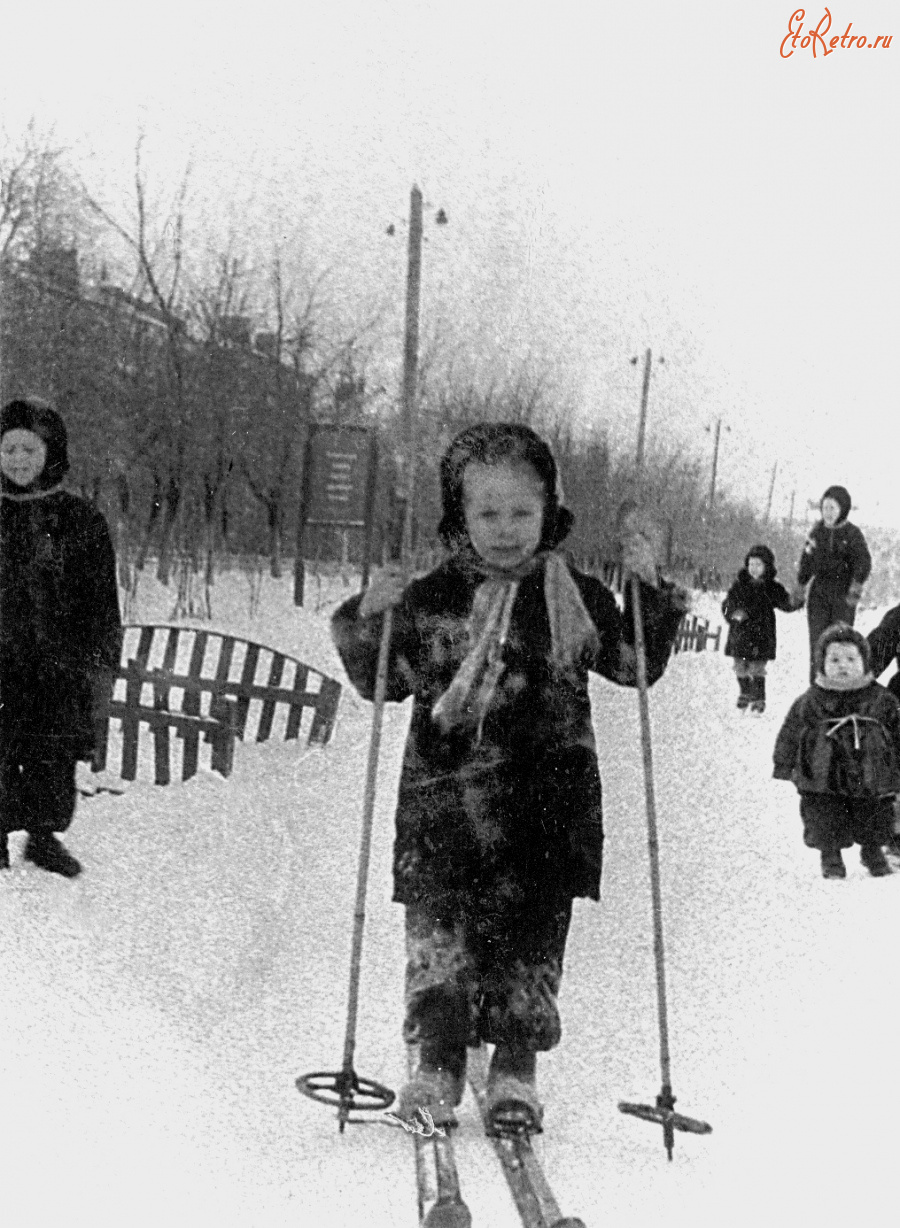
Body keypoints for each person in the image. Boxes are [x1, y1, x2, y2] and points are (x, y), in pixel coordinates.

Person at [331, 422, 687, 1132]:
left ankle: (515, 1067)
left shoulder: (574, 592)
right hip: (444, 803)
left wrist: (647, 596)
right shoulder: (432, 593)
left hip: (548, 801)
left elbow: (632, 664)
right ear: (458, 514)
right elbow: (384, 682)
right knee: (442, 942)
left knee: (530, 943)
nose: (504, 529)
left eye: (521, 513)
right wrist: (368, 618)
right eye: (487, 513)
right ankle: (438, 1059)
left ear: (548, 511)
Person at [0, 398, 122, 877]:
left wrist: (98, 665)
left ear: (51, 454)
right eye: (8, 448)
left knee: (49, 751)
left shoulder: (79, 520)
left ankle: (42, 837)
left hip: (57, 666)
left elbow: (100, 603)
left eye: (29, 449)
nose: (17, 460)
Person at [773, 623, 898, 879]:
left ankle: (872, 850)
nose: (843, 666)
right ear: (821, 663)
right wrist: (783, 763)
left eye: (851, 659)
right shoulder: (811, 700)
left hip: (871, 771)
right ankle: (830, 855)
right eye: (835, 659)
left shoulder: (881, 700)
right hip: (822, 773)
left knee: (875, 811)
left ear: (864, 662)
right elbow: (791, 730)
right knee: (824, 813)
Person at [795, 485, 871, 682]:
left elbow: (863, 561)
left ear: (842, 509)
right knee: (818, 644)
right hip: (819, 594)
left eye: (832, 508)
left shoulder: (852, 534)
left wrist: (856, 585)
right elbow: (807, 560)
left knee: (840, 644)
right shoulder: (817, 533)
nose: (827, 513)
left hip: (843, 595)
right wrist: (801, 584)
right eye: (825, 508)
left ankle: (839, 688)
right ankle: (817, 688)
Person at [721, 545, 800, 714]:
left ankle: (758, 698)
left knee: (757, 668)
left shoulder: (771, 588)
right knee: (740, 667)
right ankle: (745, 692)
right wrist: (733, 614)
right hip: (740, 634)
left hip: (761, 636)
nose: (754, 569)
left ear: (767, 567)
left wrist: (796, 601)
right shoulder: (739, 586)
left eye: (758, 565)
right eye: (751, 564)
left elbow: (786, 603)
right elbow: (727, 605)